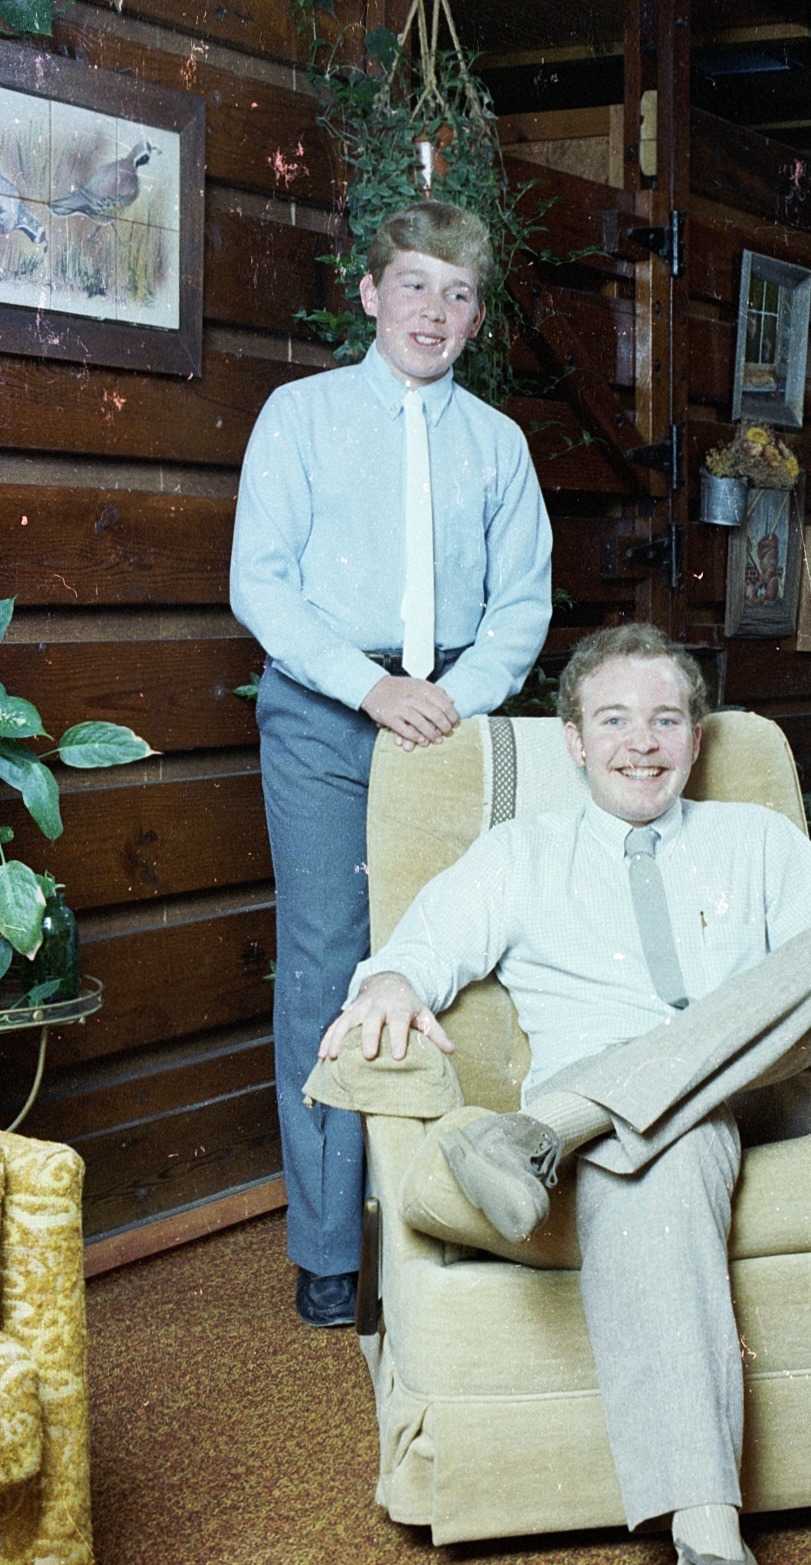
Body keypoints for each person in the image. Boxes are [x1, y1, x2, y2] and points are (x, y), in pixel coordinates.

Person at [320, 623, 811, 1565]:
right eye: (614, 720)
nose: (642, 743)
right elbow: (414, 951)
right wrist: (391, 986)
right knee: (659, 1150)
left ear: (692, 738)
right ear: (574, 743)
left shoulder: (754, 839)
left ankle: (549, 1132)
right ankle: (713, 1561)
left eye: (666, 720)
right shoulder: (518, 855)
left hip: (771, 1093)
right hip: (658, 1141)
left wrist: (595, 1103)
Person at [230, 201, 552, 1328]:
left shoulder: (497, 446)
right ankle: (328, 1248)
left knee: (453, 954)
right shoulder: (299, 416)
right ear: (368, 294)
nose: (434, 311)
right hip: (325, 710)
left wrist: (445, 702)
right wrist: (369, 689)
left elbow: (521, 608)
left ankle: (450, 1216)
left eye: (458, 294)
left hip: (451, 719)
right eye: (413, 284)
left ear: (475, 318)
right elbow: (260, 583)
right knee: (325, 964)